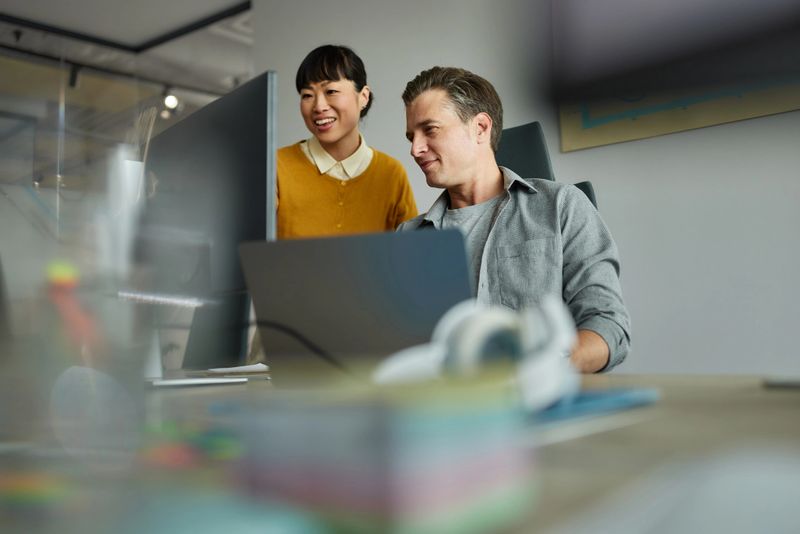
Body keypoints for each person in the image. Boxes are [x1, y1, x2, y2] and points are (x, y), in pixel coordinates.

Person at [399, 66, 630, 373]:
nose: (416, 149)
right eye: (411, 136)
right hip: (445, 409)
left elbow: (607, 325)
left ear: (480, 127)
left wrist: (539, 370)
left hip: (544, 409)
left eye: (430, 130)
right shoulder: (409, 237)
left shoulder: (562, 205)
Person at [277, 45, 418, 238]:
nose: (319, 106)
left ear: (364, 97)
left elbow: (410, 258)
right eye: (307, 95)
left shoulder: (391, 174)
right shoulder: (276, 167)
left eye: (331, 91)